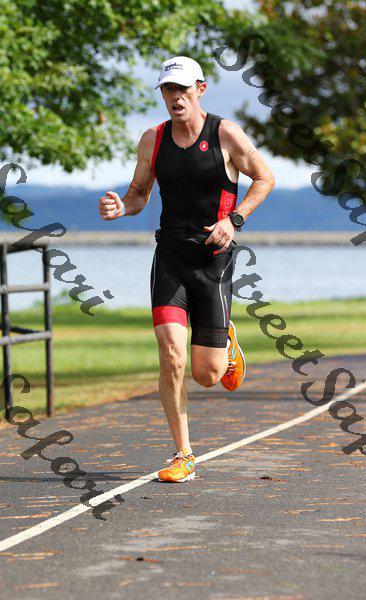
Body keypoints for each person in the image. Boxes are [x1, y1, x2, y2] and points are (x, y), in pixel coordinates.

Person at [98, 56, 275, 483]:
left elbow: (264, 178)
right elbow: (139, 192)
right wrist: (123, 207)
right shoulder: (153, 139)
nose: (175, 97)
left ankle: (225, 342)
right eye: (168, 90)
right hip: (171, 259)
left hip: (213, 262)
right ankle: (184, 454)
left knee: (207, 375)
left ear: (201, 89)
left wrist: (234, 220)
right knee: (171, 355)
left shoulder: (225, 133)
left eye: (182, 89)